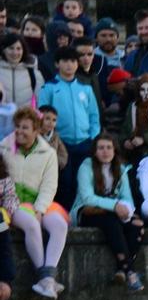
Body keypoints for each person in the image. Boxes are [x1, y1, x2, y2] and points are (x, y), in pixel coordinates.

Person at [6, 109, 67, 298]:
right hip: (13, 201)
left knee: (59, 225)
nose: (20, 131)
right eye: (17, 127)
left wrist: (40, 209)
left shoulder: (48, 153)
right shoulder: (3, 148)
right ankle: (45, 278)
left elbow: (50, 185)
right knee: (31, 224)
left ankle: (47, 277)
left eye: (25, 127)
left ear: (36, 130)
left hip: (40, 201)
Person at [75, 135, 147, 290]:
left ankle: (122, 269)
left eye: (109, 147)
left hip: (114, 212)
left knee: (137, 224)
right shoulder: (86, 167)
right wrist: (115, 206)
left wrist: (127, 211)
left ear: (115, 150)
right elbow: (87, 198)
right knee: (111, 221)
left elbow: (127, 198)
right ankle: (130, 271)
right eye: (101, 148)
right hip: (88, 212)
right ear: (95, 151)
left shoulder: (120, 169)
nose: (105, 152)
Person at [36, 44, 98, 207]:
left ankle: (80, 214)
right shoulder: (49, 88)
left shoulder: (86, 89)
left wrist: (93, 137)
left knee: (83, 181)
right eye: (65, 61)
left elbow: (94, 116)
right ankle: (62, 215)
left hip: (84, 143)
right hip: (60, 143)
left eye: (73, 61)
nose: (69, 65)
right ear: (57, 64)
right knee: (64, 183)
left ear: (77, 64)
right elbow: (41, 116)